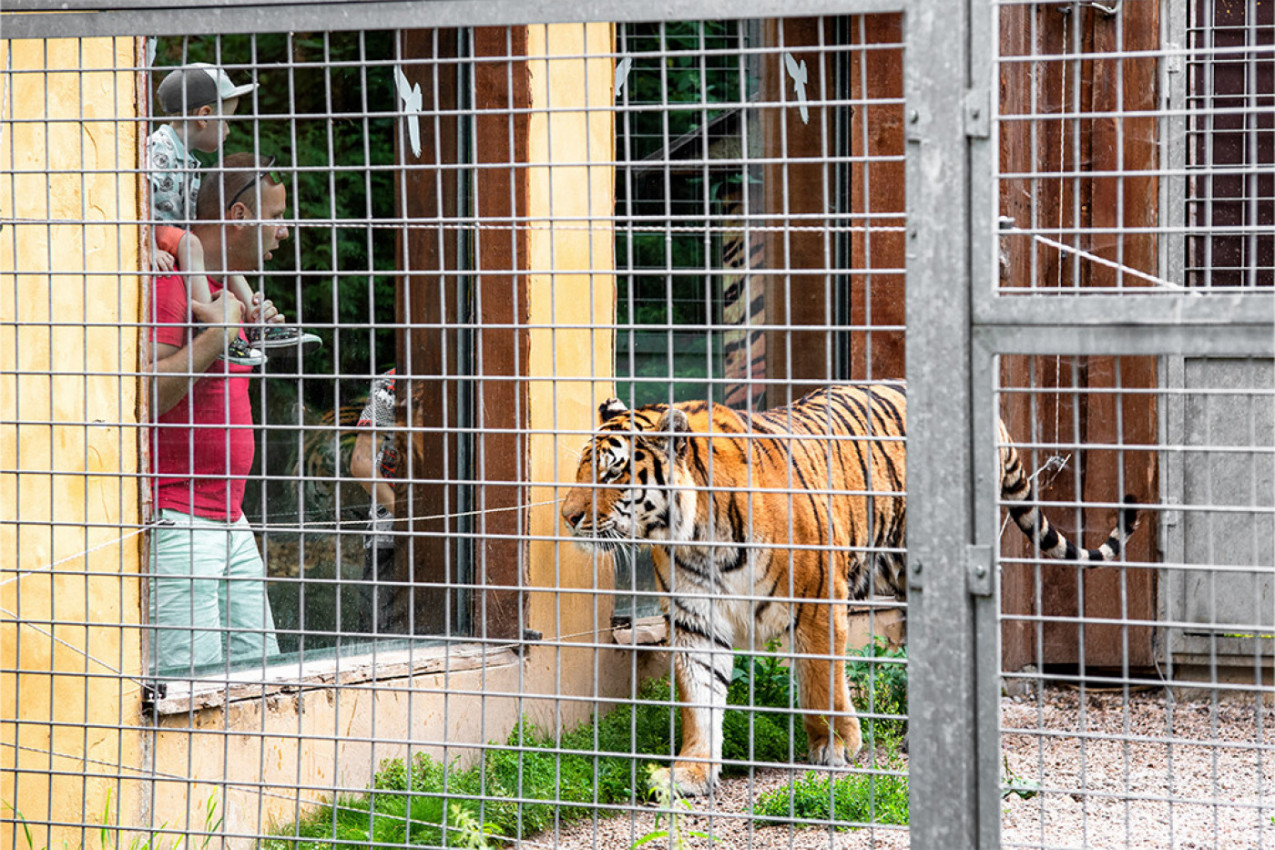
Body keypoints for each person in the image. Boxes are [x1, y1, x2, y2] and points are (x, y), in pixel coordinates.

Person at [147, 152, 293, 673]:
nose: (284, 231)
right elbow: (147, 393)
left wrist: (247, 328)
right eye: (275, 217)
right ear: (237, 215)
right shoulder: (168, 285)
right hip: (178, 521)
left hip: (232, 519)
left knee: (263, 677)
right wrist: (219, 333)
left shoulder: (227, 290)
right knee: (190, 693)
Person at [148, 62, 319, 365]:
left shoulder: (187, 159)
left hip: (177, 235)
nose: (228, 129)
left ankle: (257, 322)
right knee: (192, 244)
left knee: (221, 258)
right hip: (161, 234)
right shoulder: (160, 149)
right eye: (226, 121)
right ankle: (214, 327)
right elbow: (138, 198)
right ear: (204, 116)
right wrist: (147, 244)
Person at [349, 369, 403, 634]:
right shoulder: (389, 385)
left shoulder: (462, 378)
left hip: (446, 539)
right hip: (389, 538)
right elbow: (362, 463)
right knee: (378, 638)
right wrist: (405, 516)